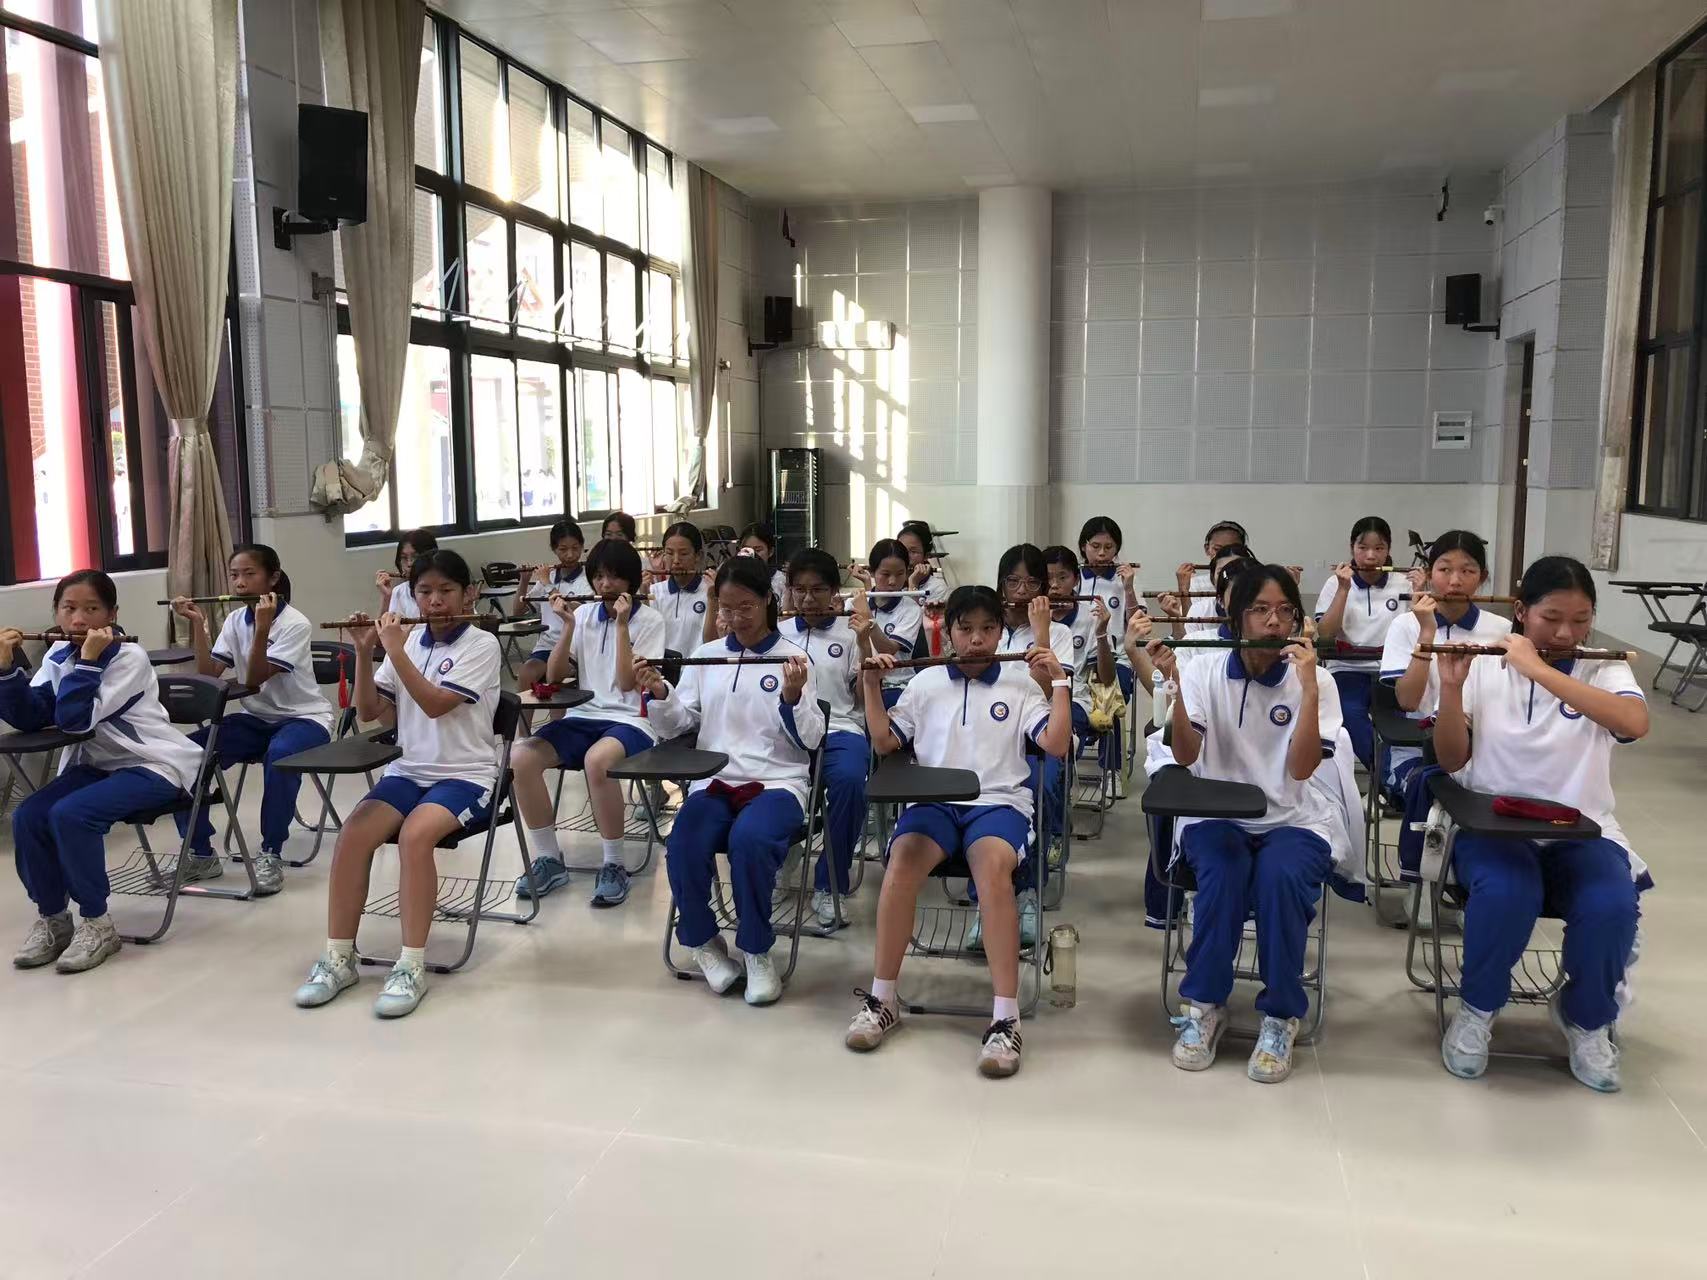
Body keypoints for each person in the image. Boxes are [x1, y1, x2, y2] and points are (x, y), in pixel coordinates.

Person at [1431, 557, 1649, 1093]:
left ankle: (1586, 1019)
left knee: (1611, 905)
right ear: (1521, 611)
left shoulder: (1604, 667)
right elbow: (1452, 760)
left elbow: (1633, 723)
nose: (1566, 633)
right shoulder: (1485, 662)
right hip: (1494, 826)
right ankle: (1478, 1010)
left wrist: (1538, 669)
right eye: (1551, 618)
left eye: (1581, 620)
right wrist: (1452, 691)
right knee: (1507, 893)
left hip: (1583, 829)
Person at [845, 584, 1071, 1078]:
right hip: (933, 803)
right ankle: (883, 999)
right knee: (900, 865)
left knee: (991, 871)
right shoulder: (925, 682)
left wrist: (1058, 682)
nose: (976, 640)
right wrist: (871, 685)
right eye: (965, 629)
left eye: (987, 629)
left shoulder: (1020, 683)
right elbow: (884, 742)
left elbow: (1056, 745)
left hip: (999, 804)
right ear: (948, 634)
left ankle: (1005, 1018)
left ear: (1000, 633)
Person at [1147, 564, 1342, 1085]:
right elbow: (1186, 757)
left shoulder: (1316, 679)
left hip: (1293, 818)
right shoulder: (1204, 670)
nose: (1274, 622)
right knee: (1222, 874)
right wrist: (1175, 690)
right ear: (1235, 619)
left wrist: (1309, 691)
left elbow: (1301, 768)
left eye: (1285, 611)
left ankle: (1280, 1016)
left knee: (1281, 878)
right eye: (1260, 610)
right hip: (1216, 814)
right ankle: (1205, 1005)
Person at [292, 549, 501, 1019]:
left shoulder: (482, 644)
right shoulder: (407, 644)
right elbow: (371, 712)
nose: (435, 601)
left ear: (468, 594)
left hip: (465, 776)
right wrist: (366, 652)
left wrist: (397, 650)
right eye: (424, 592)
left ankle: (410, 965)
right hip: (408, 771)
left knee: (415, 836)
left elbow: (435, 705)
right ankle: (339, 957)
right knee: (352, 835)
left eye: (446, 591)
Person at [634, 556, 824, 1005]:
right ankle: (703, 943)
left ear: (767, 601)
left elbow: (813, 738)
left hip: (777, 782)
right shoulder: (707, 656)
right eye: (726, 608)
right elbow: (680, 724)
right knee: (684, 840)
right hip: (715, 780)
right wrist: (660, 693)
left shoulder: (794, 659)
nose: (736, 618)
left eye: (746, 607)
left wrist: (793, 697)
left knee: (751, 841)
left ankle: (756, 949)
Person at [4, 571, 202, 973]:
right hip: (98, 766)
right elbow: (32, 716)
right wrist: (6, 672)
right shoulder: (58, 655)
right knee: (28, 816)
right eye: (68, 609)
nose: (78, 620)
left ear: (112, 614)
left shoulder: (129, 658)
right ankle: (54, 918)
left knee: (72, 815)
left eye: (91, 609)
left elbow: (76, 721)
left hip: (153, 765)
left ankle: (97, 922)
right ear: (56, 613)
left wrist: (89, 663)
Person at [170, 544, 334, 893]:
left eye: (249, 574)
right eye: (234, 575)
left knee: (281, 755)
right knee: (184, 753)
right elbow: (208, 675)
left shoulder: (295, 624)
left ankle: (271, 852)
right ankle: (200, 854)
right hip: (257, 719)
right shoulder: (234, 620)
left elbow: (255, 678)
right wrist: (198, 624)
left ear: (273, 578)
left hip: (306, 719)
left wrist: (261, 629)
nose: (240, 583)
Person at [509, 539, 664, 907]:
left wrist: (622, 625)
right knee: (521, 757)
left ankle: (614, 864)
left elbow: (626, 683)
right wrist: (567, 626)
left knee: (598, 760)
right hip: (584, 715)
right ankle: (549, 858)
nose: (605, 585)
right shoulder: (583, 617)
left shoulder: (650, 620)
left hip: (632, 720)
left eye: (614, 577)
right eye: (598, 577)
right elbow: (554, 676)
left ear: (631, 581)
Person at [1379, 531, 1510, 833]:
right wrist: (1426, 633)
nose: (1455, 581)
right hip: (1415, 746)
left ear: (1482, 577)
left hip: (1482, 745)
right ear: (1429, 573)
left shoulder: (1501, 629)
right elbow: (1408, 701)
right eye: (1445, 569)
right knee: (1429, 791)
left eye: (1467, 571)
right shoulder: (1405, 625)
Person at [780, 548, 867, 929]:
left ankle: (829, 882)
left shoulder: (850, 633)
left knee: (849, 781)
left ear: (834, 591)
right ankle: (781, 857)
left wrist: (866, 648)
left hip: (841, 729)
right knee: (768, 778)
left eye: (817, 590)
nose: (807, 599)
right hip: (788, 731)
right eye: (799, 590)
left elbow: (861, 699)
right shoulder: (778, 634)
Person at [1313, 517, 1412, 773]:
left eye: (1379, 548)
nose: (1370, 556)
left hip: (1390, 670)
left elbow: (1417, 631)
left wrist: (1421, 590)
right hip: (1347, 667)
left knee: (1400, 720)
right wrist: (1343, 589)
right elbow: (1326, 633)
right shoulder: (1335, 583)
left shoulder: (1404, 583)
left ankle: (1392, 776)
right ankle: (1388, 776)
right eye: (1363, 547)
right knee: (1349, 713)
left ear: (1388, 550)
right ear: (1351, 548)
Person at [513, 519, 588, 690]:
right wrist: (524, 582)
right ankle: (523, 710)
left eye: (575, 548)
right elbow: (517, 611)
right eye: (563, 549)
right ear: (554, 549)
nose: (570, 555)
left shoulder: (587, 579)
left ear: (582, 546)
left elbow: (571, 610)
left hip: (574, 647)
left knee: (555, 677)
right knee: (526, 673)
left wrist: (547, 584)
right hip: (546, 645)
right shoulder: (549, 576)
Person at [855, 538, 925, 708]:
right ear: (872, 572)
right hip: (859, 682)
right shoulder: (854, 604)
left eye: (900, 574)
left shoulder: (911, 609)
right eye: (885, 574)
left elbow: (888, 650)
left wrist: (868, 618)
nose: (893, 581)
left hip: (897, 687)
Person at [1077, 516, 1138, 693]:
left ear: (1117, 548)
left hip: (1118, 658)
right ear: (1083, 546)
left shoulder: (1125, 579)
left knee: (1110, 698)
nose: (1102, 553)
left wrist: (1129, 589)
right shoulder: (1072, 578)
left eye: (1109, 547)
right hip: (1077, 656)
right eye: (1095, 546)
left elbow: (1136, 623)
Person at [647, 521, 711, 659]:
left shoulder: (709, 591)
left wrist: (714, 598)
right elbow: (647, 638)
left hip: (698, 668)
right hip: (661, 670)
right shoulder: (653, 592)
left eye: (683, 553)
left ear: (698, 555)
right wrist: (644, 596)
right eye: (669, 553)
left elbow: (712, 642)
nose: (676, 560)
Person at [375, 529, 438, 619]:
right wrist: (387, 597)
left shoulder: (445, 589)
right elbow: (388, 627)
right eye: (404, 558)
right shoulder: (399, 592)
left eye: (416, 557)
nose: (409, 563)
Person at [1176, 520, 1248, 598]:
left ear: (1244, 551)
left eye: (1233, 549)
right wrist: (1183, 589)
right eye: (1217, 549)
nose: (1225, 555)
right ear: (1207, 549)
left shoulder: (1253, 581)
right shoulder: (1195, 584)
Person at [896, 519, 948, 604]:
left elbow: (912, 612)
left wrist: (913, 583)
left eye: (913, 551)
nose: (905, 556)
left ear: (926, 556)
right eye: (901, 549)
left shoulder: (938, 587)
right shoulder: (891, 581)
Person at [737, 520, 788, 603]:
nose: (752, 554)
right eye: (747, 550)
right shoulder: (732, 579)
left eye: (758, 550)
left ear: (770, 551)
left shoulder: (782, 581)